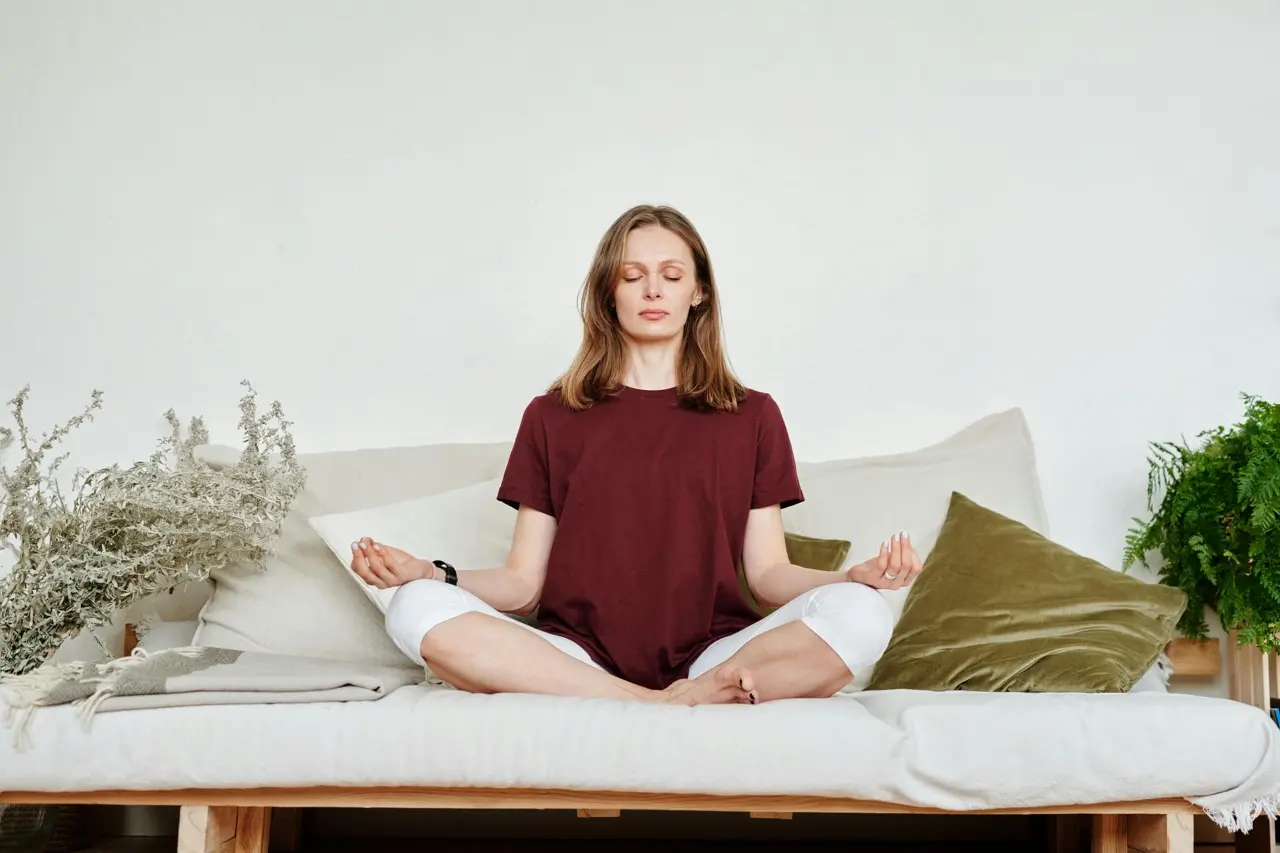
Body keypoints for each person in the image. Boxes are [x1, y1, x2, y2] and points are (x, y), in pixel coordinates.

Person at [349, 204, 923, 706]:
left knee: (863, 614)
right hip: (576, 657)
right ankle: (653, 703)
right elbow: (524, 585)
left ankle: (683, 692)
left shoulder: (752, 416)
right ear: (609, 292)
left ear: (697, 294)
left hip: (713, 653)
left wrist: (853, 579)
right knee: (413, 606)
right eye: (633, 275)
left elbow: (768, 576)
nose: (653, 290)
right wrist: (430, 573)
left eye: (671, 276)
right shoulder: (552, 415)